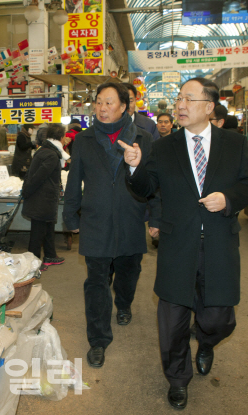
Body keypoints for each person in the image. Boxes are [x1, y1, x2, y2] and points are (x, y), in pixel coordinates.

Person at [119, 77, 248, 410]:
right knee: (172, 323)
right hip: (176, 246)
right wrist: (136, 166)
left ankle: (207, 343)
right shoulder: (163, 146)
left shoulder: (234, 143)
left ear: (209, 106)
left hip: (219, 245)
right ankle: (177, 379)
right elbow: (145, 188)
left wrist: (227, 199)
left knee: (218, 319)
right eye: (178, 98)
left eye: (188, 99)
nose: (180, 105)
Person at [63, 82, 156, 369]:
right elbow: (74, 179)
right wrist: (70, 216)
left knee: (130, 270)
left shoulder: (142, 137)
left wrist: (155, 217)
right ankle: (99, 340)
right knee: (96, 282)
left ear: (125, 106)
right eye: (98, 102)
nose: (102, 108)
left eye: (109, 103)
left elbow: (154, 182)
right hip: (96, 218)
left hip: (130, 215)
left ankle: (124, 303)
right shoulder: (85, 139)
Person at [22, 124, 68, 271]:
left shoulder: (46, 150)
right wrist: (27, 192)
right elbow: (37, 177)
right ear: (61, 137)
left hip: (43, 197)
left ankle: (50, 255)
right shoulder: (51, 155)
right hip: (41, 198)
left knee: (48, 227)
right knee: (37, 233)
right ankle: (33, 264)